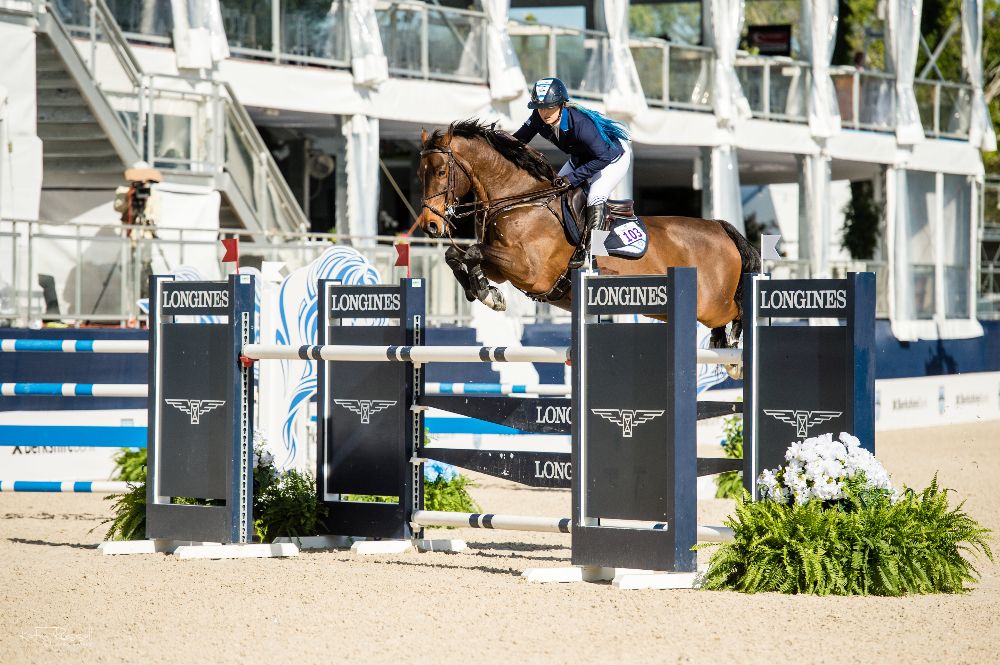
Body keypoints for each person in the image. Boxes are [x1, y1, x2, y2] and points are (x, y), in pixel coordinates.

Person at [513, 77, 632, 234]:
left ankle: (595, 250)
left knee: (595, 198)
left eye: (550, 107)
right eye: (540, 108)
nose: (544, 113)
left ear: (562, 105)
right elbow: (516, 141)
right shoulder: (537, 117)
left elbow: (603, 158)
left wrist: (572, 179)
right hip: (582, 158)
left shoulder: (581, 124)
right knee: (552, 193)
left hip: (612, 158)